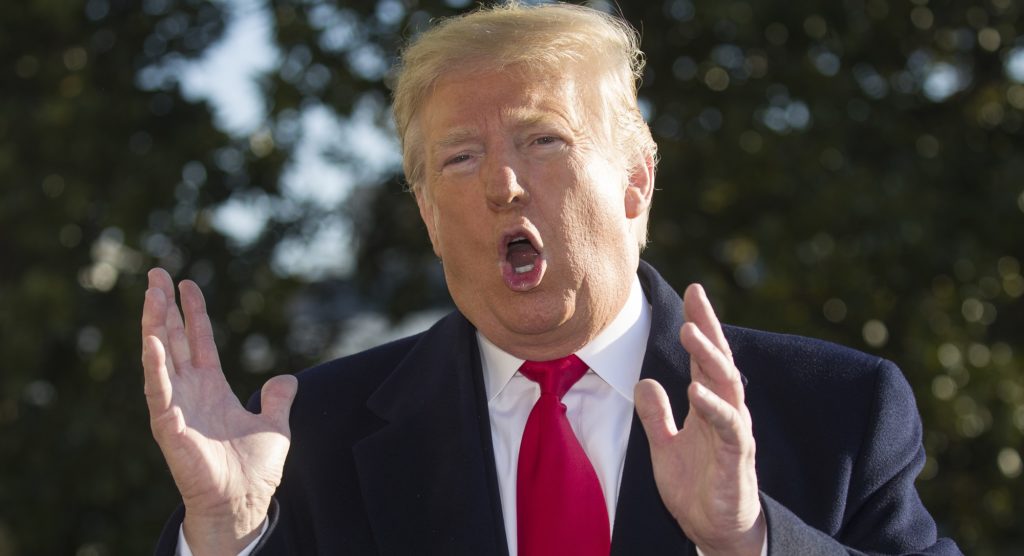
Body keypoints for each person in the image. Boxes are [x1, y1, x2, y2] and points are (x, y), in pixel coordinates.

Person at [142, 2, 961, 555]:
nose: (501, 185)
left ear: (637, 183)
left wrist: (750, 539)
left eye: (543, 142)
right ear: (427, 213)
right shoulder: (311, 438)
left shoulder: (839, 412)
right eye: (460, 158)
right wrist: (222, 534)